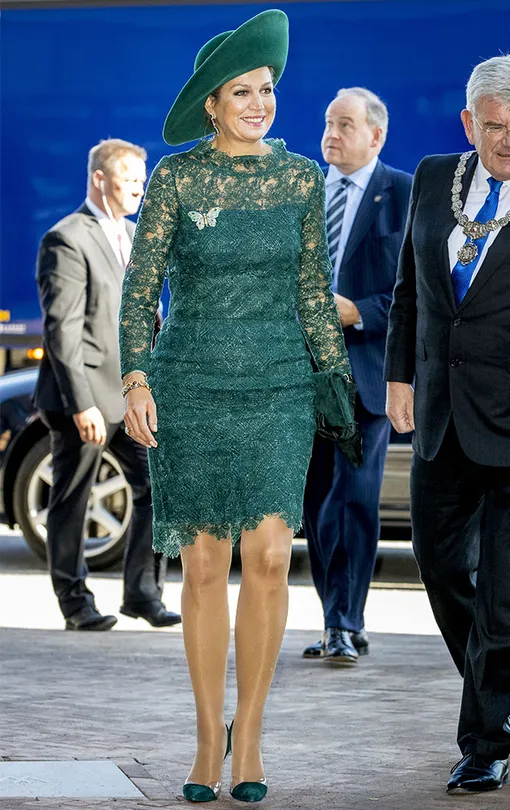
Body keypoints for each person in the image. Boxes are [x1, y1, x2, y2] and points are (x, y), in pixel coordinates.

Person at [118, 9, 357, 803]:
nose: (260, 103)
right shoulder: (175, 178)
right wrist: (136, 379)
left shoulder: (301, 179)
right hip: (191, 387)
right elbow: (139, 292)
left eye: (267, 89)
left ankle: (248, 736)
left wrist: (336, 381)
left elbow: (312, 294)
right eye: (242, 91)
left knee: (270, 557)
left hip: (279, 387)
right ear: (211, 104)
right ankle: (205, 738)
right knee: (203, 565)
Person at [384, 54, 510, 794]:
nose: (508, 141)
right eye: (495, 127)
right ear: (468, 124)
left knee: (502, 596)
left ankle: (486, 741)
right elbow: (409, 287)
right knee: (436, 567)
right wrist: (400, 374)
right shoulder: (434, 179)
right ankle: (502, 697)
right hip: (440, 417)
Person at [34, 138, 181, 632]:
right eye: (130, 179)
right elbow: (63, 331)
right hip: (85, 399)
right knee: (72, 500)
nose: (140, 188)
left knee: (156, 488)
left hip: (129, 395)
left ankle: (142, 594)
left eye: (142, 179)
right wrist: (82, 405)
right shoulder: (66, 238)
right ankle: (75, 603)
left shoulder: (134, 235)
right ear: (100, 179)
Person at [302, 88, 412, 664]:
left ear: (376, 135)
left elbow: (416, 293)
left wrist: (358, 311)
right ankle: (336, 617)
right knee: (316, 502)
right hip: (302, 374)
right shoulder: (302, 192)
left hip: (366, 373)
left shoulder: (405, 194)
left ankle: (343, 621)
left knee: (352, 500)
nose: (332, 133)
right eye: (328, 122)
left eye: (345, 124)